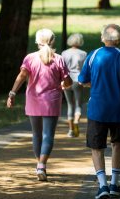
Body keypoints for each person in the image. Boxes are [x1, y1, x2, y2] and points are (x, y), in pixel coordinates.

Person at [78, 24, 120, 199]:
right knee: (117, 143)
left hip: (97, 108)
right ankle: (115, 183)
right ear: (119, 40)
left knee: (96, 147)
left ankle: (102, 185)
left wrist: (96, 84)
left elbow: (82, 81)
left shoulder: (93, 55)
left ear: (102, 38)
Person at [7, 28, 72, 182]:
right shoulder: (58, 59)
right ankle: (42, 164)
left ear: (37, 41)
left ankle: (39, 164)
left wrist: (12, 93)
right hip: (52, 101)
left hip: (33, 100)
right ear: (52, 41)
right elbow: (67, 81)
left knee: (36, 134)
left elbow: (22, 76)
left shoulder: (30, 58)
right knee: (48, 134)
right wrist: (65, 85)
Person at [61, 33, 87, 138]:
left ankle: (71, 129)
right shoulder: (83, 54)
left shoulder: (64, 53)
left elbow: (61, 68)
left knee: (69, 104)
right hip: (78, 80)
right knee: (78, 104)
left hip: (67, 80)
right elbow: (85, 69)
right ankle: (77, 121)